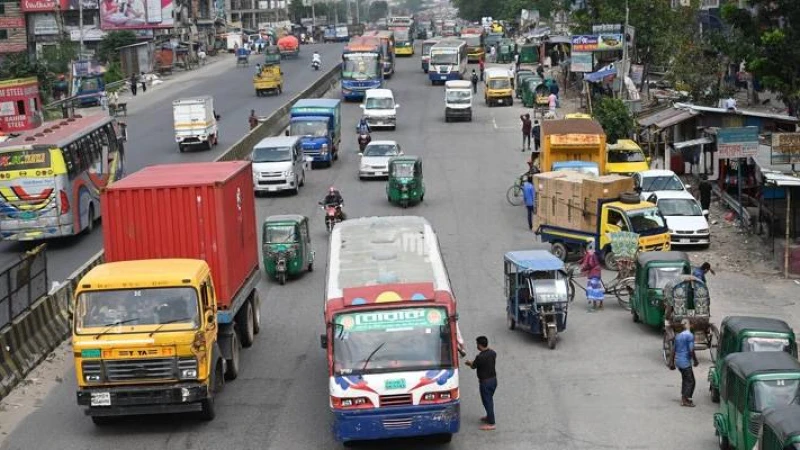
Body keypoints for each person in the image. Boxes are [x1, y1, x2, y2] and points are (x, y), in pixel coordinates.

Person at [464, 336, 497, 431]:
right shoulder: (492, 353)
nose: (476, 346)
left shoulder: (480, 357)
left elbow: (473, 366)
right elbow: (491, 351)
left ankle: (491, 423)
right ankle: (488, 416)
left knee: (487, 401)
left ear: (479, 345)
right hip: (493, 380)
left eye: (477, 344)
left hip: (485, 383)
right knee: (489, 399)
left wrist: (468, 363)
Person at [670, 319, 699, 407]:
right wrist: (695, 360)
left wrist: (672, 362)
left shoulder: (678, 336)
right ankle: (685, 399)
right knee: (691, 381)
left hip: (678, 362)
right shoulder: (690, 336)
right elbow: (691, 350)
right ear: (689, 325)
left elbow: (673, 350)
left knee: (685, 380)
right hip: (685, 362)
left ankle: (684, 397)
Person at [579, 244, 604, 310]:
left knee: (594, 289)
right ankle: (600, 304)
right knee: (598, 288)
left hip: (594, 273)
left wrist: (582, 269)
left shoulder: (590, 254)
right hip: (597, 272)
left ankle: (595, 305)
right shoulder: (592, 253)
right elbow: (584, 260)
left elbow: (589, 264)